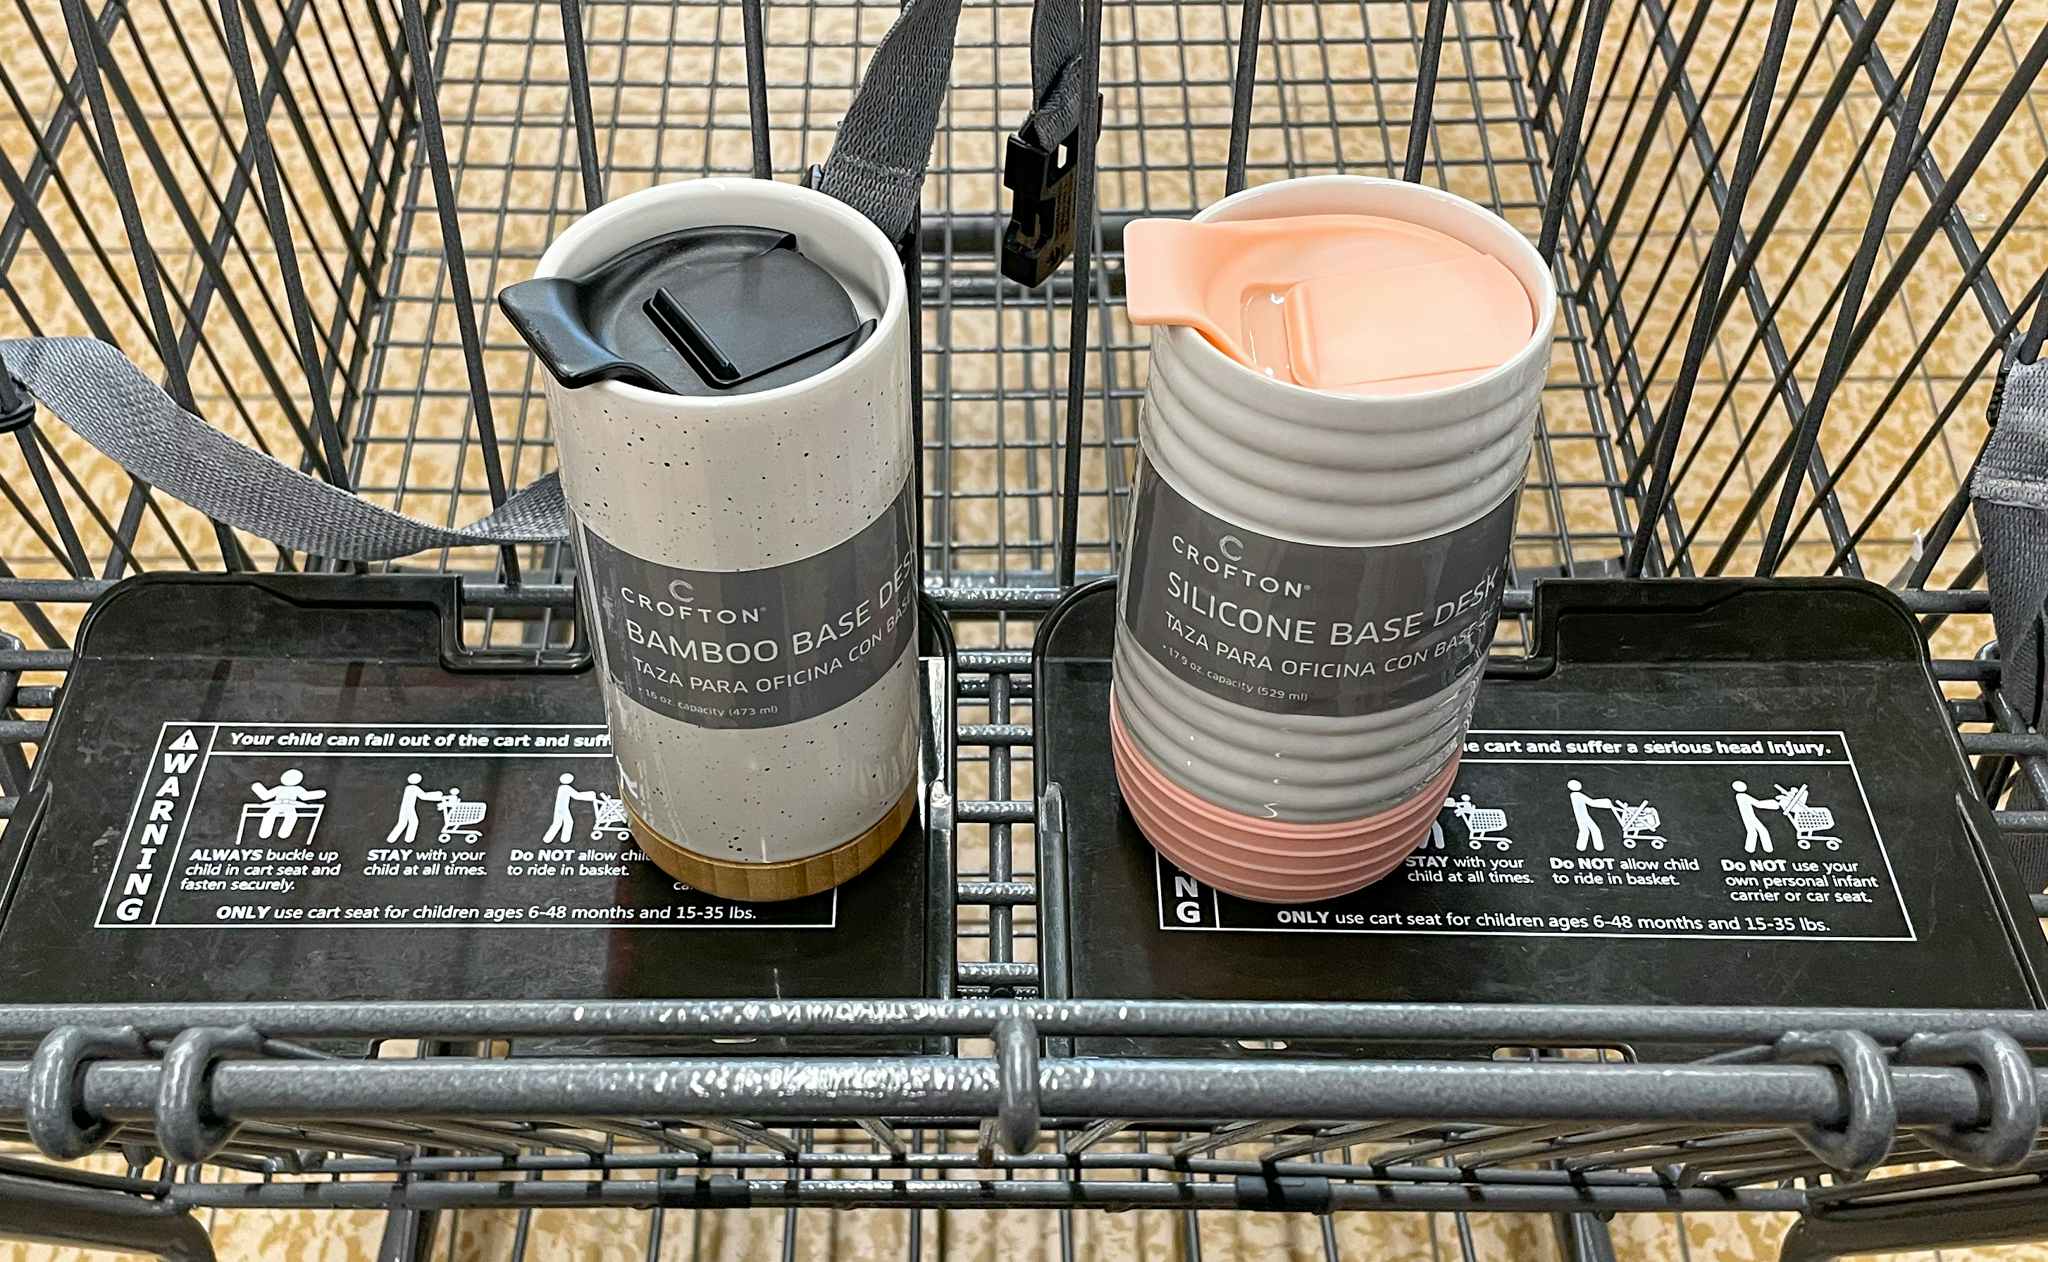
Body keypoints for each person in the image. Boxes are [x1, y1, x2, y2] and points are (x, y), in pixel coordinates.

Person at [249, 769, 325, 840]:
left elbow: (305, 796)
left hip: (290, 806)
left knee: (291, 816)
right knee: (270, 815)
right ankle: (264, 833)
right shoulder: (280, 788)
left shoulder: (297, 789)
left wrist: (320, 794)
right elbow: (266, 795)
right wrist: (258, 788)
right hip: (277, 805)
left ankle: (284, 833)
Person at [387, 773, 444, 846]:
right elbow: (424, 796)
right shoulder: (414, 788)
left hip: (406, 808)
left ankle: (396, 839)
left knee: (404, 823)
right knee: (411, 822)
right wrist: (438, 795)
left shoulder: (408, 788)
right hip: (408, 808)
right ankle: (405, 839)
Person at [543, 772, 596, 845]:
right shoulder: (566, 788)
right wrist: (591, 795)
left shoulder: (562, 787)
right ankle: (562, 839)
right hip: (562, 809)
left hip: (560, 808)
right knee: (566, 822)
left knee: (558, 823)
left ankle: (550, 839)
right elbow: (577, 795)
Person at [1732, 780, 1779, 854]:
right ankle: (1767, 849)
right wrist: (1774, 804)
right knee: (1761, 831)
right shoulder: (1742, 796)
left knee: (1753, 832)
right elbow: (1758, 803)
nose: (1744, 786)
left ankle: (1750, 850)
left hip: (1749, 817)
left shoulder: (1740, 796)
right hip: (1749, 818)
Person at [1566, 779, 1611, 852]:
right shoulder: (1578, 795)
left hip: (1581, 816)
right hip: (1583, 817)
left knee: (1584, 831)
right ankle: (1599, 848)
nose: (1579, 785)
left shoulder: (1573, 795)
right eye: (1577, 784)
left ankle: (1580, 848)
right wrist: (1605, 803)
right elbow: (1591, 802)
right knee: (1595, 830)